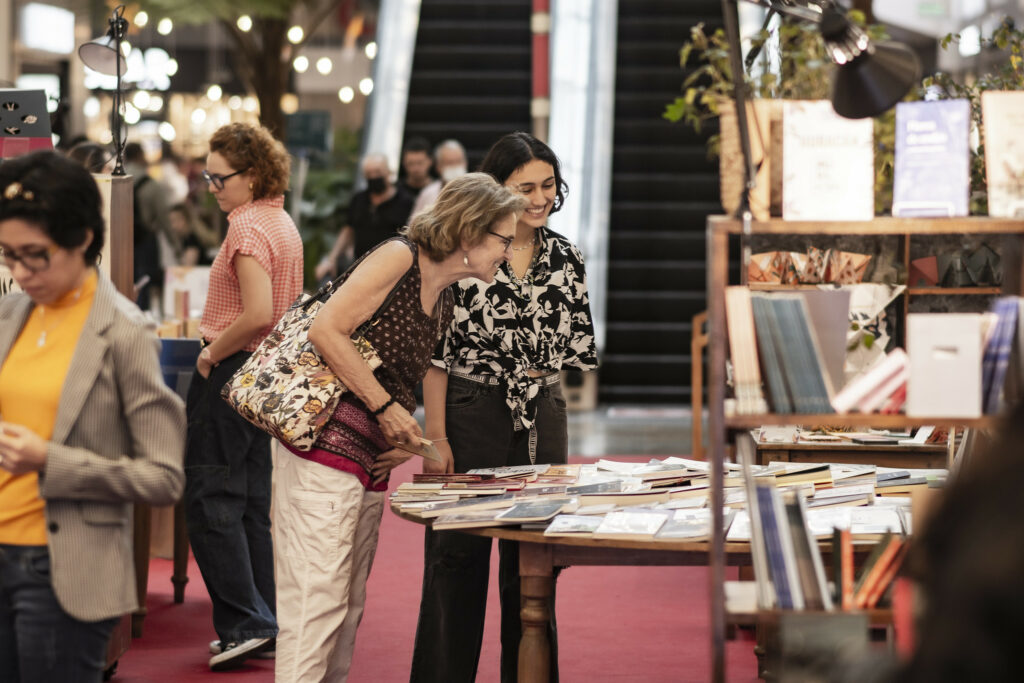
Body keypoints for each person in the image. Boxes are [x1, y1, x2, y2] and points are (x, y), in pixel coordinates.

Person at [273, 173, 527, 682]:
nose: (507, 251)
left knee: (346, 602)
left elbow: (398, 369)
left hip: (363, 456)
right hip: (320, 445)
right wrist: (389, 409)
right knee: (315, 602)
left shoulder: (447, 294)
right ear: (470, 230)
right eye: (504, 238)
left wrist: (400, 434)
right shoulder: (400, 256)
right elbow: (327, 330)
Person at [411, 132, 599, 682]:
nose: (539, 199)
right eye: (525, 188)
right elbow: (437, 358)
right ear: (497, 188)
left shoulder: (566, 258)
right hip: (470, 410)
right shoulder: (461, 253)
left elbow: (571, 353)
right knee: (456, 562)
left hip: (542, 413)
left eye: (548, 186)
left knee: (533, 571)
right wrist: (436, 437)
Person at [0, 150, 186, 681]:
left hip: (62, 570)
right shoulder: (10, 312)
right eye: (8, 255)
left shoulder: (124, 330)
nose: (19, 271)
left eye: (34, 255)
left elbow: (164, 476)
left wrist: (49, 461)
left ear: (82, 238)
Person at [184, 122, 304, 671]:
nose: (212, 186)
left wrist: (210, 355)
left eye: (219, 177)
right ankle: (263, 617)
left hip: (233, 366)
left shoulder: (249, 229)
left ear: (251, 176)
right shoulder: (281, 222)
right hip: (265, 375)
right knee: (252, 502)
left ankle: (245, 622)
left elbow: (255, 312)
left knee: (212, 496)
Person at [314, 153, 414, 281]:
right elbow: (348, 229)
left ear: (388, 172)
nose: (373, 177)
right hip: (360, 265)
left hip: (392, 270)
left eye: (377, 172)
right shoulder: (359, 199)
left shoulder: (405, 201)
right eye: (369, 173)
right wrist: (332, 258)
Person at [124, 142, 175, 311]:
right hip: (146, 240)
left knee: (122, 282)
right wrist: (176, 245)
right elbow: (163, 219)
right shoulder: (152, 185)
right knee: (144, 283)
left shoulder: (114, 181)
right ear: (140, 155)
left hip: (120, 240)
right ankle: (141, 318)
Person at [411, 138, 469, 218]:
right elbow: (413, 225)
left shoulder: (477, 192)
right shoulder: (427, 194)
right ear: (438, 166)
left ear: (465, 163)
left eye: (459, 161)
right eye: (450, 163)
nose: (455, 166)